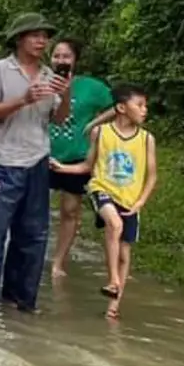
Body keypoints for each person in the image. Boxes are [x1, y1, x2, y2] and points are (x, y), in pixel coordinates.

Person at [0, 12, 70, 314]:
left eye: (45, 36)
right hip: (1, 161)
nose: (42, 41)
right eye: (35, 35)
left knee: (34, 233)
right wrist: (23, 100)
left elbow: (59, 118)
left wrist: (64, 95)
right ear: (19, 39)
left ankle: (22, 300)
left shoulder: (49, 74)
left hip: (37, 160)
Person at [62, 83, 158, 319]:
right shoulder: (101, 133)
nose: (145, 110)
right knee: (114, 224)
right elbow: (87, 166)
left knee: (124, 254)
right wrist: (62, 167)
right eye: (140, 105)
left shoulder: (147, 139)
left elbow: (152, 175)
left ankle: (113, 307)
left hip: (131, 199)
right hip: (102, 189)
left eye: (146, 106)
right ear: (121, 108)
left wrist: (140, 203)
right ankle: (113, 279)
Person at [45, 39, 116, 279]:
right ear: (50, 58)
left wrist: (94, 123)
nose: (61, 61)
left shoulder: (90, 87)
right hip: (41, 154)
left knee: (70, 210)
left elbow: (118, 106)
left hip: (75, 156)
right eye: (57, 56)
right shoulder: (42, 81)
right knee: (32, 209)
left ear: (75, 60)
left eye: (66, 56)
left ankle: (58, 262)